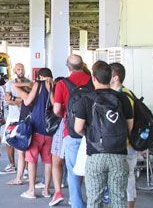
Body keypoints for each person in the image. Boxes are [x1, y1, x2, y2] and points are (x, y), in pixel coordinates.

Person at [73, 61, 134, 208]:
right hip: (119, 155)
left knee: (94, 200)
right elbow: (129, 127)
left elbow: (77, 128)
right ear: (111, 78)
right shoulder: (123, 98)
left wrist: (89, 135)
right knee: (119, 199)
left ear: (93, 78)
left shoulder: (85, 100)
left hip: (95, 155)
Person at [53, 55, 91, 208]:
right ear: (83, 65)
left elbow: (56, 109)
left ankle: (77, 204)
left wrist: (64, 114)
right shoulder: (92, 81)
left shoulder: (62, 84)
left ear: (68, 67)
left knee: (73, 170)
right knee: (91, 170)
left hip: (71, 132)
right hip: (91, 132)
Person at [12, 68, 54, 199]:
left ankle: (31, 190)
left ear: (40, 76)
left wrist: (32, 86)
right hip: (49, 130)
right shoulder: (54, 85)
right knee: (48, 162)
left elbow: (28, 101)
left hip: (35, 129)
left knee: (31, 160)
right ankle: (46, 190)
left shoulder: (39, 84)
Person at [110, 63, 137, 208]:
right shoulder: (119, 93)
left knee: (128, 179)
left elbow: (129, 125)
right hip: (119, 145)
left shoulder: (125, 96)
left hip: (126, 145)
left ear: (115, 78)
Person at [5, 63, 30, 181]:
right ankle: (12, 165)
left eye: (22, 68)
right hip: (12, 117)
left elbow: (31, 99)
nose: (21, 70)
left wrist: (16, 99)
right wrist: (22, 99)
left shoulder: (29, 83)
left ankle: (25, 168)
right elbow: (8, 100)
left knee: (25, 144)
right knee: (9, 141)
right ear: (15, 70)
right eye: (18, 69)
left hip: (25, 117)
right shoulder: (10, 83)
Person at [49, 76, 67, 206]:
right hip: (75, 128)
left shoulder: (60, 88)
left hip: (62, 126)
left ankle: (58, 192)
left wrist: (50, 91)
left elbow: (56, 109)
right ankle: (74, 195)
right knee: (72, 165)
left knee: (56, 161)